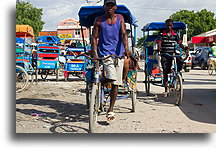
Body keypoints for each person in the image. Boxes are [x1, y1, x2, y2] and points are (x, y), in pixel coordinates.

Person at [92, 0, 131, 121]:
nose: (109, 7)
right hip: (105, 53)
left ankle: (111, 109)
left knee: (116, 83)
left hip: (118, 54)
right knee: (111, 77)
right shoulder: (99, 20)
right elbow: (94, 38)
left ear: (115, 7)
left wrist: (126, 49)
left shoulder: (120, 18)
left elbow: (124, 34)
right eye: (107, 5)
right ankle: (99, 82)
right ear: (104, 7)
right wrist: (95, 54)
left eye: (111, 5)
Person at [156, 19, 188, 97]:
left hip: (173, 53)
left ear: (172, 26)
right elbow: (159, 43)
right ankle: (166, 89)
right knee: (165, 71)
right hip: (165, 54)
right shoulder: (161, 34)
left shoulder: (175, 34)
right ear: (166, 25)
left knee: (180, 60)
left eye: (170, 25)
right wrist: (159, 48)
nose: (169, 27)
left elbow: (180, 44)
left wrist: (184, 48)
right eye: (168, 25)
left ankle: (178, 74)